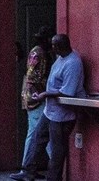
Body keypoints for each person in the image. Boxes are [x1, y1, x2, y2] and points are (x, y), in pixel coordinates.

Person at [20, 34, 86, 181]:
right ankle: (28, 171)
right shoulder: (61, 58)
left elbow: (68, 91)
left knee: (57, 149)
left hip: (63, 114)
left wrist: (45, 94)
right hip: (50, 110)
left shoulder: (73, 63)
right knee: (38, 138)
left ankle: (53, 178)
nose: (52, 48)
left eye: (54, 45)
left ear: (60, 47)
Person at [11, 26, 54, 181]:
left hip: (33, 97)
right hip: (36, 98)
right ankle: (53, 167)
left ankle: (28, 167)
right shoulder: (39, 53)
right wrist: (41, 94)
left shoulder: (41, 52)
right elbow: (32, 77)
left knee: (34, 133)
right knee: (41, 133)